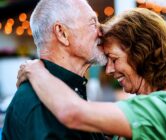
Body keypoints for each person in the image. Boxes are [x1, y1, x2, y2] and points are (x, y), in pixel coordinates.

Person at [16, 8, 166, 140]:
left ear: (142, 54)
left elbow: (72, 113)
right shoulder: (150, 105)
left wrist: (36, 71)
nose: (108, 70)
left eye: (114, 59)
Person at [2, 0, 107, 139]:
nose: (102, 31)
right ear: (62, 33)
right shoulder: (39, 106)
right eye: (93, 23)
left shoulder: (68, 90)